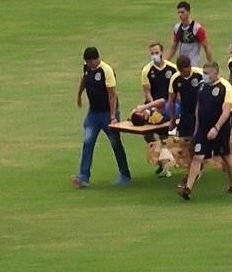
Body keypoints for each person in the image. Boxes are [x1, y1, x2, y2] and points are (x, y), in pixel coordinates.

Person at [177, 61, 232, 200]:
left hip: (220, 129)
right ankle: (188, 189)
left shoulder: (225, 87)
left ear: (216, 73)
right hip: (203, 128)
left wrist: (216, 128)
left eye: (207, 73)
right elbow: (199, 107)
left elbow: (226, 111)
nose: (204, 76)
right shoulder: (202, 86)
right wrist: (197, 128)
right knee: (197, 157)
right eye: (203, 73)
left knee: (225, 157)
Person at [71, 46, 131, 189]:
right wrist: (79, 95)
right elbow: (84, 80)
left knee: (115, 143)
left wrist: (113, 116)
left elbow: (112, 94)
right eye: (87, 63)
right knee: (88, 141)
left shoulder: (106, 70)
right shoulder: (87, 68)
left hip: (107, 113)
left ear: (96, 59)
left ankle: (125, 174)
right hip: (93, 113)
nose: (89, 65)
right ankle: (83, 177)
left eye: (90, 62)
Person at [133, 42, 177, 120]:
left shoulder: (173, 68)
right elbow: (147, 92)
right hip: (152, 102)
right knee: (136, 114)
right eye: (152, 53)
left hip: (167, 103)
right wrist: (153, 106)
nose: (154, 55)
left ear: (162, 52)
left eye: (156, 53)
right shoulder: (146, 70)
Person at [167, 1, 213, 67]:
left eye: (182, 12)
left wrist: (211, 65)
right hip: (181, 64)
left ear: (188, 12)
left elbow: (206, 47)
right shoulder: (177, 28)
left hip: (193, 64)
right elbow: (173, 48)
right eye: (178, 12)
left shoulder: (197, 28)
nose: (180, 15)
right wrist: (165, 62)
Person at [168, 55, 204, 140]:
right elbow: (171, 99)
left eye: (184, 71)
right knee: (183, 139)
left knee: (199, 137)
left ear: (189, 67)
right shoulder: (175, 78)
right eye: (180, 71)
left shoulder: (200, 75)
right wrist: (172, 119)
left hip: (201, 111)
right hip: (185, 112)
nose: (182, 73)